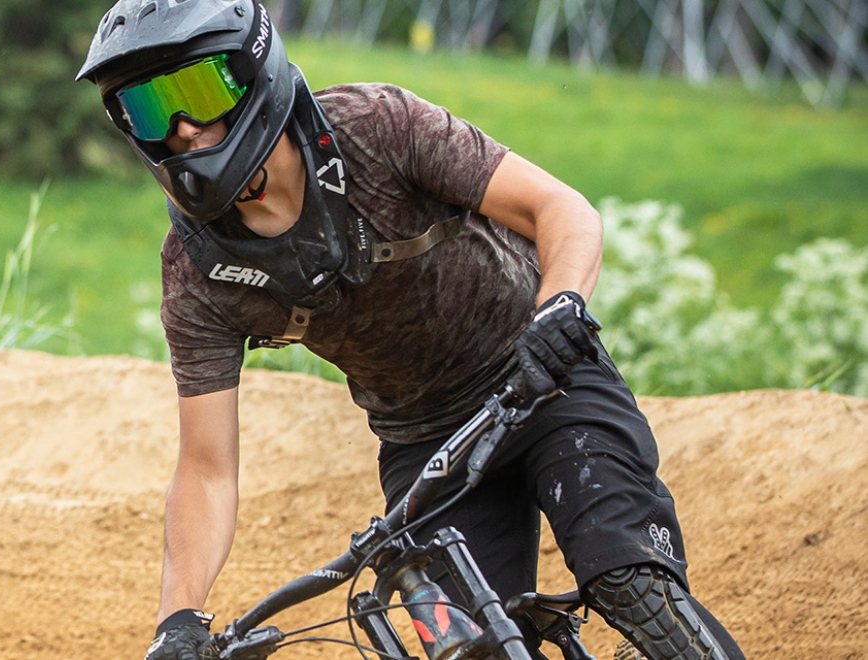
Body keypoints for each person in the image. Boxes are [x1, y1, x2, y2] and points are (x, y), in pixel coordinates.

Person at [72, 1, 745, 658]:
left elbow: (559, 208)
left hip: (547, 383)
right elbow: (206, 469)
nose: (183, 129)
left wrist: (561, 306)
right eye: (151, 110)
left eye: (196, 90)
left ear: (253, 69)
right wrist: (178, 620)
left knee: (627, 578)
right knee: (466, 648)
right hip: (424, 446)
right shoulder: (197, 269)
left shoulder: (377, 128)